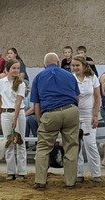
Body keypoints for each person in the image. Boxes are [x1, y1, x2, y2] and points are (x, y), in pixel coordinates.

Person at [30, 52, 80, 189]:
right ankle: (70, 182)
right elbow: (77, 97)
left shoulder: (38, 77)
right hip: (71, 110)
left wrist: (40, 120)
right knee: (71, 146)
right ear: (58, 62)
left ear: (44, 64)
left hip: (50, 113)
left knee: (43, 147)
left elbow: (36, 104)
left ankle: (40, 181)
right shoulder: (69, 75)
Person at [71, 55, 101, 183]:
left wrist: (95, 115)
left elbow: (97, 97)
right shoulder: (70, 78)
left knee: (91, 144)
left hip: (89, 114)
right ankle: (79, 174)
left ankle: (96, 174)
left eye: (77, 65)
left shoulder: (92, 77)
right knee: (76, 145)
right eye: (73, 65)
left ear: (83, 65)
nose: (75, 68)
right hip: (74, 114)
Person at [0, 59, 27, 181]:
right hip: (5, 114)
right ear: (7, 69)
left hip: (18, 114)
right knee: (8, 143)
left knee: (20, 142)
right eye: (14, 68)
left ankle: (22, 172)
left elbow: (18, 102)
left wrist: (15, 118)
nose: (16, 70)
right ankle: (11, 172)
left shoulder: (21, 83)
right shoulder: (0, 82)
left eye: (18, 68)